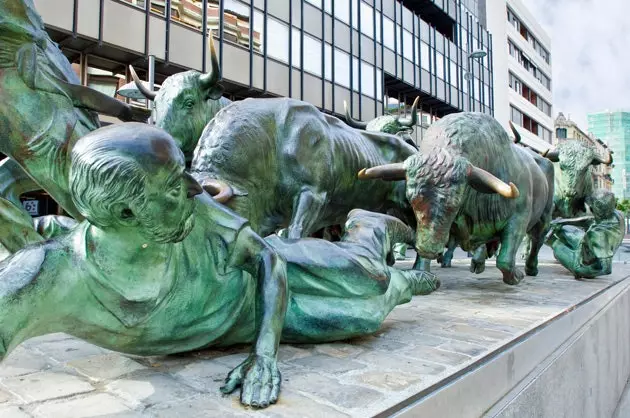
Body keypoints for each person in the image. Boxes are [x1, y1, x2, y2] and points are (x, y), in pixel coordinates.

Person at [0, 123, 438, 409]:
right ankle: (402, 280)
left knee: (368, 279)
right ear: (126, 213)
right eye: (174, 183)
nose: (195, 188)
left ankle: (370, 232)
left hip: (263, 285)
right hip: (238, 322)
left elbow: (266, 258)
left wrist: (264, 355)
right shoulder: (48, 276)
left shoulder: (196, 208)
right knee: (362, 312)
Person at [546, 189, 624, 279]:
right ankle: (560, 236)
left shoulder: (597, 235)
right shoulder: (617, 215)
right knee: (563, 230)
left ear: (593, 208)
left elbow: (606, 269)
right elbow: (590, 220)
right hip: (588, 246)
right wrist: (563, 222)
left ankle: (554, 244)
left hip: (586, 263)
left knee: (555, 245)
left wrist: (580, 271)